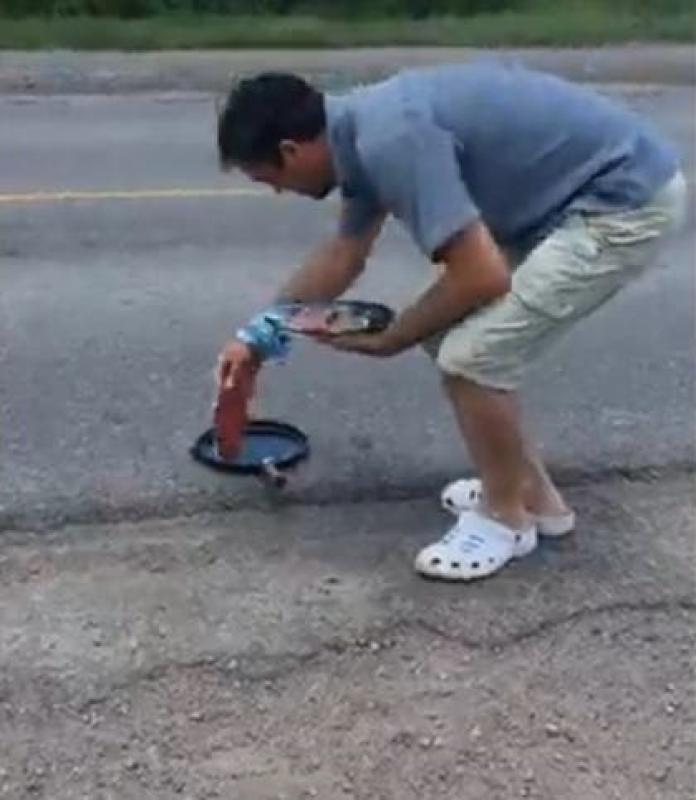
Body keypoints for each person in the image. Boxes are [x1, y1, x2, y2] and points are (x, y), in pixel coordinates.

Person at [215, 63, 686, 582]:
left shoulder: (389, 140)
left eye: (270, 180)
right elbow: (344, 254)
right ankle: (533, 498)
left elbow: (480, 275)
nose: (278, 192)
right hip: (568, 202)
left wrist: (392, 339)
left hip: (620, 202)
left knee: (473, 357)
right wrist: (258, 335)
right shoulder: (356, 133)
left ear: (290, 150)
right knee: (445, 336)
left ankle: (505, 520)